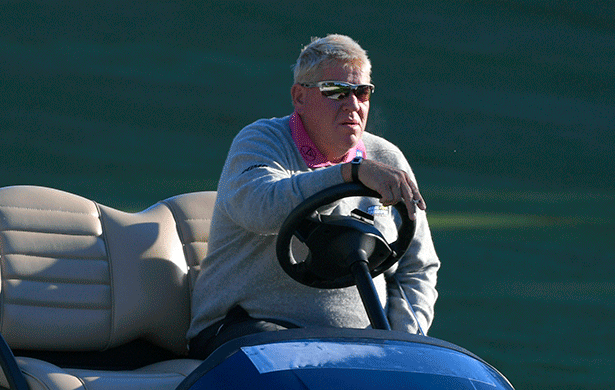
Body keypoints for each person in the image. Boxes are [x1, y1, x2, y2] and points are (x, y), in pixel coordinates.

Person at [187, 34, 440, 358]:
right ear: (299, 97)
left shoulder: (387, 158)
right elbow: (259, 207)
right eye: (336, 90)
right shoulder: (261, 141)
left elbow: (418, 267)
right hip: (243, 332)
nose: (352, 104)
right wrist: (350, 173)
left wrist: (399, 345)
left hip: (352, 347)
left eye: (362, 92)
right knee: (294, 367)